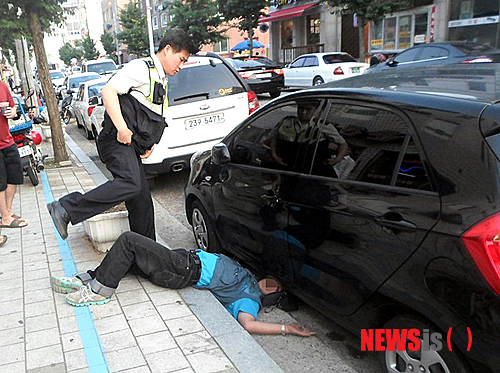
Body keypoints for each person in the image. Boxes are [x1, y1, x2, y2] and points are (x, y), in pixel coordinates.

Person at [47, 28, 197, 241]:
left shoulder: (160, 77)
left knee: (142, 201)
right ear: (168, 49)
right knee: (131, 183)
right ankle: (65, 207)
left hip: (130, 146)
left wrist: (147, 143)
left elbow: (147, 114)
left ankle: (145, 257)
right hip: (115, 140)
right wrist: (122, 128)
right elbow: (108, 92)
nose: (181, 66)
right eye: (181, 60)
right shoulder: (142, 68)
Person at [50, 231, 315, 337]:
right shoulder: (249, 275)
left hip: (183, 271)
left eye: (275, 287)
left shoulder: (249, 299)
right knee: (130, 257)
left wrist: (286, 329)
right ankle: (84, 280)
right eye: (274, 280)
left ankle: (98, 292)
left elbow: (249, 324)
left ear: (272, 297)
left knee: (129, 241)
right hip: (182, 260)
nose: (272, 283)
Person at [0, 81, 28, 243]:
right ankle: (5, 217)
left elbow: (13, 106)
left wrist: (12, 112)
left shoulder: (2, 86)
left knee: (15, 177)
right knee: (1, 182)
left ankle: (8, 212)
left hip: (7, 140)